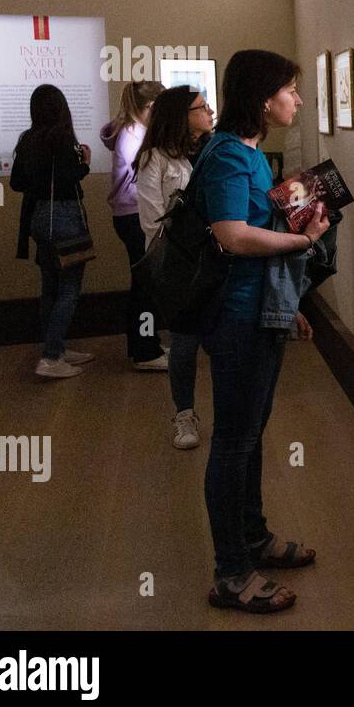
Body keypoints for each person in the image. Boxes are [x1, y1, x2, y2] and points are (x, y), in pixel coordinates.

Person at [194, 50, 328, 613]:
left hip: (259, 310)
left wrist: (289, 301)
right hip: (236, 317)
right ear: (261, 97)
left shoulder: (247, 153)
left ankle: (252, 538)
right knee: (233, 443)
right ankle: (232, 574)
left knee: (249, 437)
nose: (296, 99)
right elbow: (231, 234)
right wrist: (303, 241)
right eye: (290, 90)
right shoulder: (227, 154)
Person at [133, 86, 215, 449]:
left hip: (218, 258)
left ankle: (226, 412)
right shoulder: (156, 159)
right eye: (202, 107)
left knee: (221, 339)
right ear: (182, 116)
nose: (210, 111)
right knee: (184, 343)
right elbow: (152, 221)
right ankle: (184, 414)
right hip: (182, 265)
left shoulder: (212, 151)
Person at [10, 85, 94, 379]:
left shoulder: (28, 139)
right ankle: (51, 356)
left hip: (39, 218)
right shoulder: (62, 138)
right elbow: (71, 178)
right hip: (65, 217)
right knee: (70, 287)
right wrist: (84, 163)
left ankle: (55, 346)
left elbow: (16, 183)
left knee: (50, 287)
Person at [101, 80, 168, 370]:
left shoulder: (130, 131)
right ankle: (145, 350)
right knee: (146, 285)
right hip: (134, 216)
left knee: (143, 284)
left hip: (127, 215)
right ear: (152, 107)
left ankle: (144, 344)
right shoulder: (134, 135)